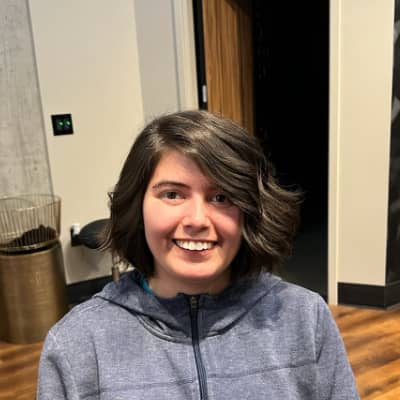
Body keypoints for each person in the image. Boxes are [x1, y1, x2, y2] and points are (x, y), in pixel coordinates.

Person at [37, 110, 359, 399]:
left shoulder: (304, 319)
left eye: (221, 197)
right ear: (137, 206)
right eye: (172, 194)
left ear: (250, 212)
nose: (197, 220)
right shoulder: (78, 345)